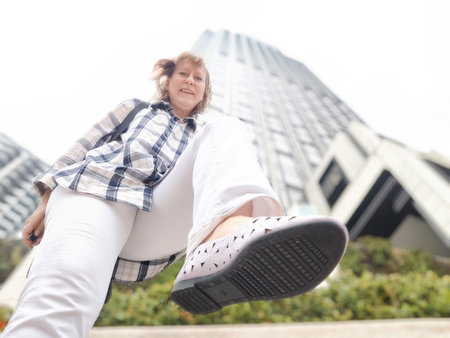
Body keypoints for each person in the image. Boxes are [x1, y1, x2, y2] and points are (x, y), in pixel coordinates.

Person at [2, 51, 348, 337]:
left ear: (203, 93)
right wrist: (46, 200)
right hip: (99, 191)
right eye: (184, 74)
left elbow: (213, 162)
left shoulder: (204, 136)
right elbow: (83, 145)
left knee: (228, 126)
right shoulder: (135, 109)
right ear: (167, 81)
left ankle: (224, 232)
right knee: (68, 291)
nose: (190, 81)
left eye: (199, 79)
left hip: (155, 213)